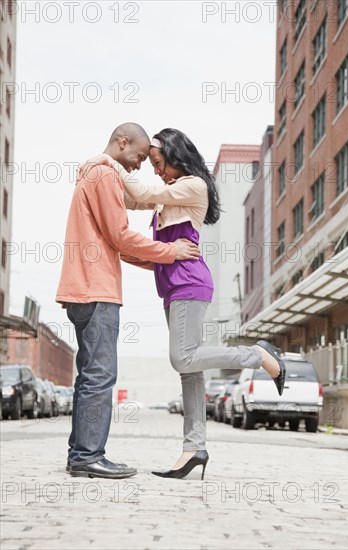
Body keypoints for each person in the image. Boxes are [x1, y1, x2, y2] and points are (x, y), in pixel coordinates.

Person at [81, 128, 286, 481]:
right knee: (189, 372)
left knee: (183, 357)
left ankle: (258, 355)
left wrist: (106, 160)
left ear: (175, 156)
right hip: (171, 286)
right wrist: (107, 177)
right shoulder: (168, 196)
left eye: (158, 163)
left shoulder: (193, 185)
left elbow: (140, 191)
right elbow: (130, 200)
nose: (155, 170)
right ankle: (194, 449)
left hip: (190, 282)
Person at [55, 123, 201, 480]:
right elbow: (121, 236)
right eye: (137, 156)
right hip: (96, 289)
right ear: (122, 142)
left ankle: (80, 453)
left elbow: (121, 232)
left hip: (82, 288)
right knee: (101, 376)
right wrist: (170, 251)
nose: (138, 165)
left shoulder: (94, 175)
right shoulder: (103, 175)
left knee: (89, 375)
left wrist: (162, 259)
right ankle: (89, 455)